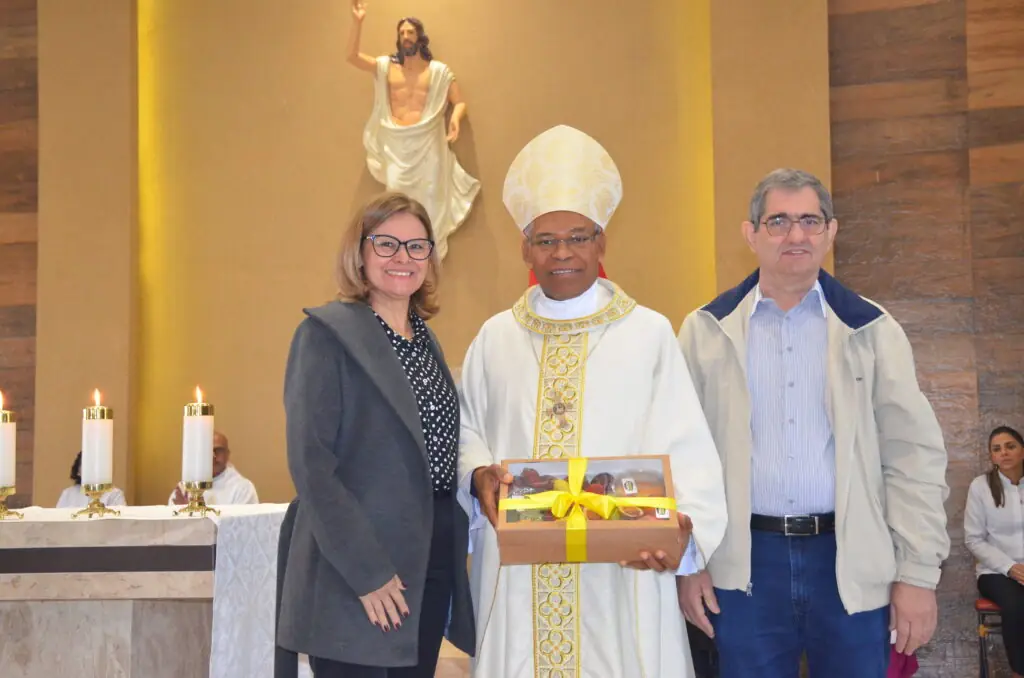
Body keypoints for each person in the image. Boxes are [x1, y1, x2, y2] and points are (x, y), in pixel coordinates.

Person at [458, 124, 728, 677]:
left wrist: (684, 533)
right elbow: (467, 431)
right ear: (524, 247)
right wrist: (478, 475)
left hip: (623, 573)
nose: (562, 253)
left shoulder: (648, 334)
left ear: (602, 243)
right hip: (519, 578)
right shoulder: (494, 338)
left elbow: (687, 446)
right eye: (545, 240)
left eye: (578, 237)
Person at [676, 168, 950, 678]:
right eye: (778, 221)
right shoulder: (705, 331)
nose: (796, 234)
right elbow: (681, 457)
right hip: (745, 566)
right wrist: (689, 563)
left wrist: (917, 573)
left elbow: (913, 457)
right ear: (751, 234)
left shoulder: (872, 330)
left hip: (849, 559)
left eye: (810, 220)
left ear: (831, 232)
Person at [277, 192, 474, 677]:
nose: (402, 257)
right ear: (360, 253)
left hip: (428, 558)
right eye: (386, 244)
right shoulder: (326, 335)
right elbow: (312, 465)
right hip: (360, 564)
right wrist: (367, 571)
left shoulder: (424, 341)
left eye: (416, 246)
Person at [347, 0, 480, 259]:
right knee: (395, 203)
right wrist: (358, 22)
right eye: (402, 33)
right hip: (397, 147)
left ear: (420, 36)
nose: (406, 36)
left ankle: (426, 259)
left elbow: (459, 101)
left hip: (428, 146)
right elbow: (352, 57)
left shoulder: (438, 72)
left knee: (430, 202)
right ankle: (400, 255)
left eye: (410, 32)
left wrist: (455, 117)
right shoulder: (386, 67)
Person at [965, 425, 1024, 678]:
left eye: (1010, 446)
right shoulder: (981, 487)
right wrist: (1010, 568)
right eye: (997, 449)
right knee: (1017, 606)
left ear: (1022, 450)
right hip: (996, 572)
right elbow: (974, 539)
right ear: (992, 456)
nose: (1004, 453)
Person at [168, 431, 259, 506]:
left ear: (227, 454)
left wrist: (191, 513)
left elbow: (240, 522)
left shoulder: (243, 489)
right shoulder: (184, 488)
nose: (212, 456)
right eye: (206, 450)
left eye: (218, 450)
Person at [56, 451, 126, 508]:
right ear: (78, 471)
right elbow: (58, 518)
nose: (92, 470)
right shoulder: (68, 494)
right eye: (88, 465)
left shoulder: (114, 494)